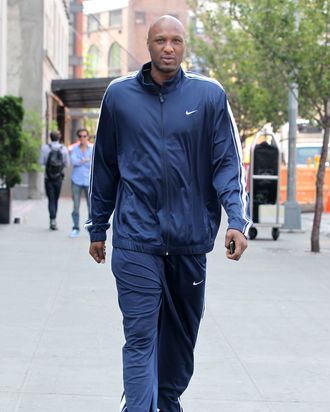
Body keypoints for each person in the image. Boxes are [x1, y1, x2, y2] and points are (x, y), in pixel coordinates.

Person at [87, 15, 252, 412]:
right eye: (161, 40)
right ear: (148, 45)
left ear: (184, 46)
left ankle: (167, 401)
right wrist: (98, 226)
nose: (168, 48)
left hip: (189, 241)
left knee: (180, 341)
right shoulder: (119, 96)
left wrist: (237, 220)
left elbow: (227, 162)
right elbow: (105, 165)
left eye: (176, 41)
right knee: (141, 336)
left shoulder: (209, 96)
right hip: (135, 240)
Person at [39, 130, 69, 230]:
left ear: (50, 137)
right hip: (59, 178)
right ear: (59, 137)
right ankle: (54, 218)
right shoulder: (63, 149)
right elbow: (66, 164)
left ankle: (52, 219)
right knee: (56, 199)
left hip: (48, 178)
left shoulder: (45, 148)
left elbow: (41, 162)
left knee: (51, 199)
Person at [70, 128, 93, 237]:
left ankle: (91, 227)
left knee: (91, 206)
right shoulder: (74, 148)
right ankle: (75, 228)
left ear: (87, 137)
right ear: (78, 137)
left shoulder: (92, 148)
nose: (82, 138)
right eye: (80, 136)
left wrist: (81, 161)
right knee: (76, 205)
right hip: (77, 180)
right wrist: (85, 160)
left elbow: (93, 163)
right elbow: (73, 161)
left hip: (89, 181)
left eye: (84, 136)